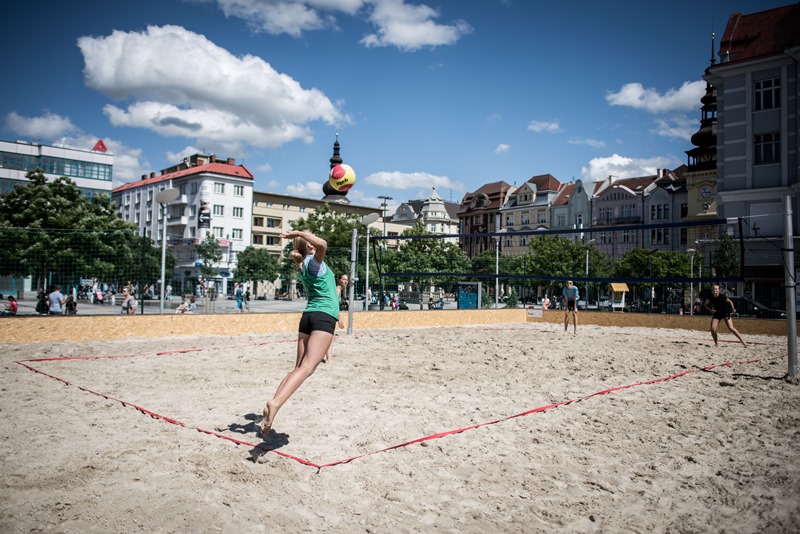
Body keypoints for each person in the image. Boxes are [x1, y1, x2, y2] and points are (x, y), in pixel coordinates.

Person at [259, 230, 339, 438]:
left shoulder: (303, 264)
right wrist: (297, 233)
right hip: (323, 316)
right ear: (310, 246)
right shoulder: (313, 262)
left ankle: (272, 405)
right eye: (311, 237)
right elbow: (323, 243)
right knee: (306, 368)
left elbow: (317, 244)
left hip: (308, 316)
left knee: (298, 368)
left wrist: (299, 237)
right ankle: (275, 404)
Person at [324, 273, 349, 364]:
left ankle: (328, 359)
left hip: (330, 313)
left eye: (346, 279)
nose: (345, 281)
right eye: (343, 279)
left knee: (329, 337)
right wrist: (340, 319)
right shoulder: (338, 289)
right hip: (330, 314)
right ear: (339, 280)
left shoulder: (339, 289)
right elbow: (334, 305)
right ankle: (328, 359)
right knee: (329, 337)